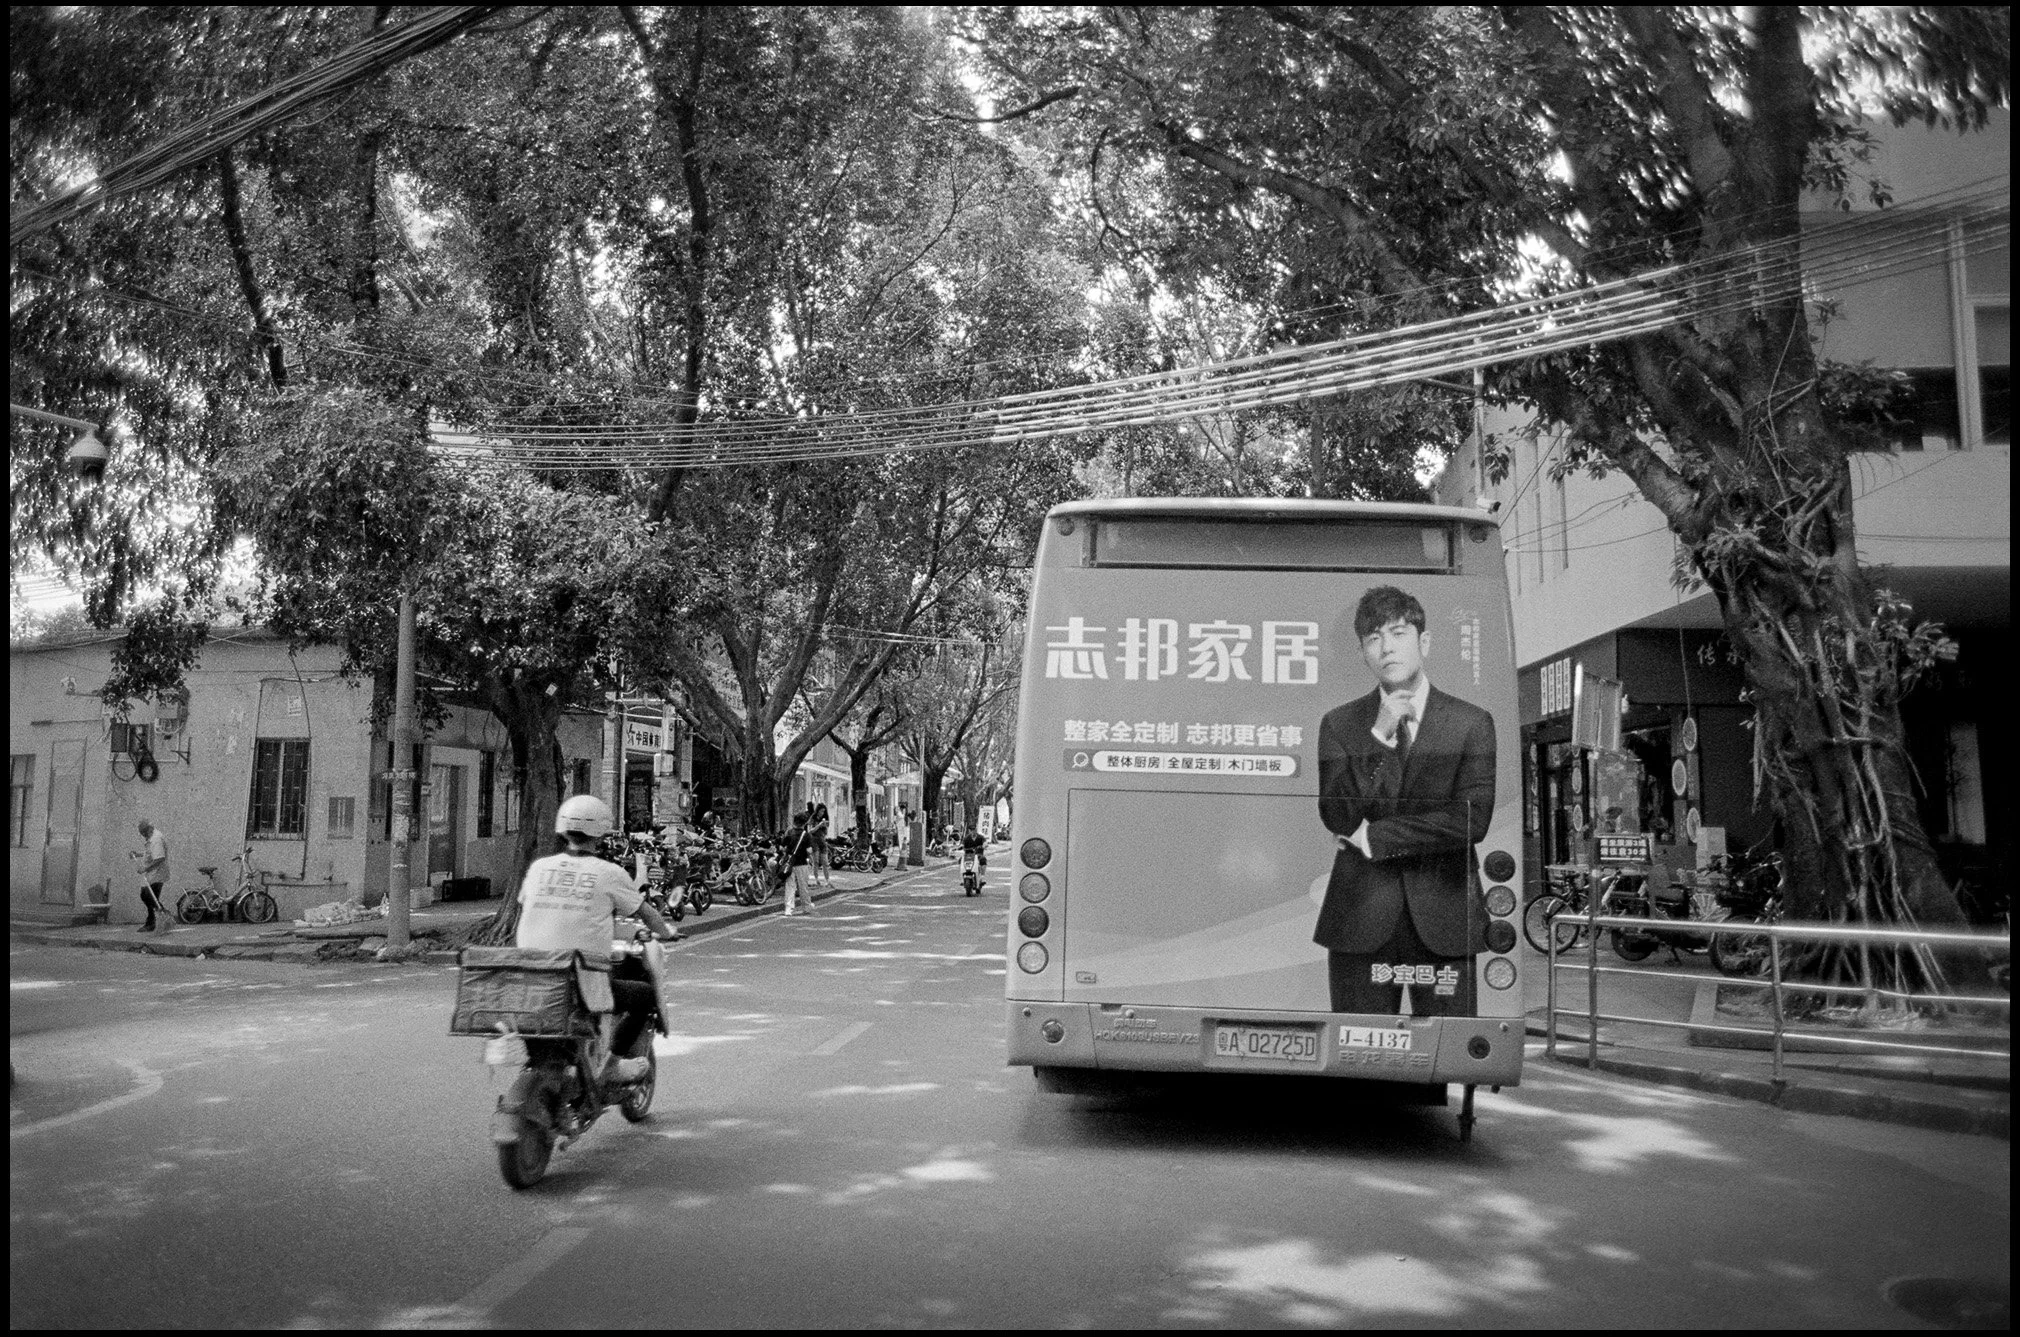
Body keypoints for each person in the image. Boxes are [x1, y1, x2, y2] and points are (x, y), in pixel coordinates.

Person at [1315, 586, 1496, 1016]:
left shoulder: (1471, 723)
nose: (1386, 647)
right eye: (1373, 639)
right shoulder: (1340, 724)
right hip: (1358, 921)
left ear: (1424, 642)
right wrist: (1378, 737)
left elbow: (1471, 820)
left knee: (1442, 1059)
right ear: (1363, 652)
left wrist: (1374, 836)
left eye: (1398, 633)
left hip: (1446, 920)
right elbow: (1338, 814)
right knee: (1358, 1060)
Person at [515, 794, 680, 1084]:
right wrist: (667, 932)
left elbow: (546, 912)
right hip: (578, 979)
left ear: (563, 829)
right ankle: (612, 1063)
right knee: (644, 996)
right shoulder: (609, 873)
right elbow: (648, 914)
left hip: (532, 976)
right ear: (601, 833)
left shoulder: (539, 869)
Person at [133, 819, 171, 933]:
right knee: (147, 896)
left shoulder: (156, 839)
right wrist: (138, 854)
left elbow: (159, 858)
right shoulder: (152, 838)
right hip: (153, 874)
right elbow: (150, 853)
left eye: (144, 833)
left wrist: (145, 868)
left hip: (157, 874)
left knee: (149, 896)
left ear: (148, 830)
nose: (143, 836)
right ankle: (158, 918)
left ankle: (154, 921)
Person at [781, 811, 818, 916]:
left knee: (790, 886)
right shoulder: (806, 835)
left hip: (790, 864)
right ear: (804, 823)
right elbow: (809, 850)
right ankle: (806, 907)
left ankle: (788, 909)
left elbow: (782, 847)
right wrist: (811, 859)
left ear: (794, 821)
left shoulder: (789, 832)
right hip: (802, 863)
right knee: (803, 887)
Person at [810, 802, 833, 887]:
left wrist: (824, 825)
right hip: (814, 841)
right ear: (817, 811)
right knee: (815, 861)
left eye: (823, 811)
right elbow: (810, 831)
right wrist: (819, 825)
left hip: (822, 841)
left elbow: (826, 832)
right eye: (821, 811)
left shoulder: (825, 818)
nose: (822, 813)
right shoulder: (813, 818)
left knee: (825, 862)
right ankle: (816, 879)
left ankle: (827, 880)